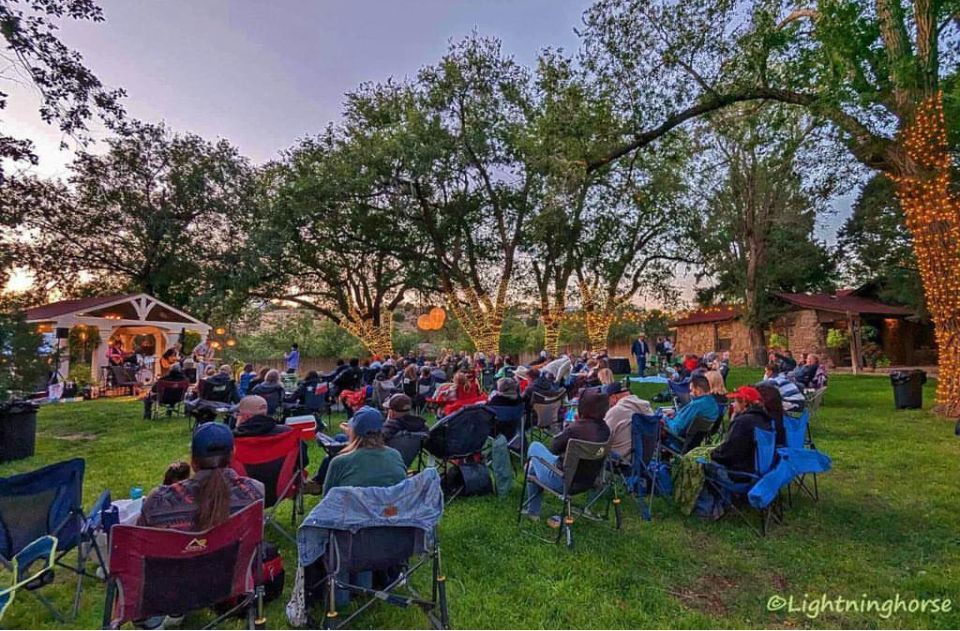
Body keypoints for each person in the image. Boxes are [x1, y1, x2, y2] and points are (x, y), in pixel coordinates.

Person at [138, 422, 264, 531]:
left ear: (193, 461)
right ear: (232, 456)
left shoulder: (158, 501)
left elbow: (138, 543)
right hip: (234, 559)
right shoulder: (254, 493)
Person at [521, 390, 611, 522]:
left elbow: (553, 448)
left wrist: (571, 426)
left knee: (535, 446)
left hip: (562, 480)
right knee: (532, 468)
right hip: (588, 481)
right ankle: (532, 511)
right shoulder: (606, 430)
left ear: (582, 406)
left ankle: (533, 512)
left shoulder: (575, 429)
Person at [322, 407, 407, 495]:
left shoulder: (340, 463)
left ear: (354, 431)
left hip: (352, 508)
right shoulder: (395, 456)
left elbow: (327, 500)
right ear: (380, 430)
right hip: (389, 507)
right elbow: (403, 494)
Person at [710, 386, 772, 473]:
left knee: (698, 463)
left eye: (735, 401)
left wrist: (711, 454)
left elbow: (726, 453)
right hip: (757, 471)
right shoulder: (764, 418)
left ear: (745, 403)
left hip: (738, 473)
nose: (733, 404)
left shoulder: (742, 422)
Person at [663, 374, 720, 443]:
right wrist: (675, 413)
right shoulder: (712, 402)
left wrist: (666, 418)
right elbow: (686, 417)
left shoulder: (696, 405)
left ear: (698, 390)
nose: (690, 393)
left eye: (691, 390)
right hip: (694, 441)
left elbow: (677, 429)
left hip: (677, 440)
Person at [604, 394, 654, 465]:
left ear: (613, 398)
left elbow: (603, 438)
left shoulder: (615, 411)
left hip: (622, 462)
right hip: (645, 459)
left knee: (595, 450)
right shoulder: (646, 408)